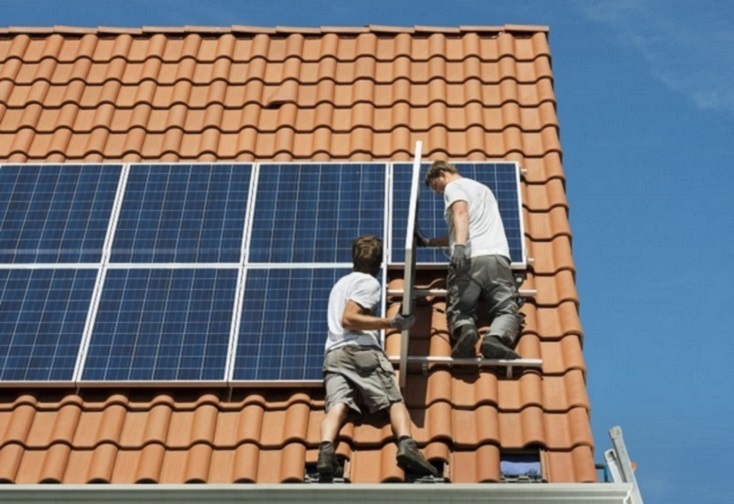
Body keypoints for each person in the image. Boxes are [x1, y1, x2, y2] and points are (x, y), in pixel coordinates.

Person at [318, 235, 437, 480]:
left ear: (354, 259)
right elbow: (349, 319)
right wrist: (390, 323)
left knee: (337, 404)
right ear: (379, 263)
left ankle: (326, 451)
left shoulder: (339, 284)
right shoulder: (369, 283)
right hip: (360, 352)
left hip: (334, 354)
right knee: (394, 399)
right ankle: (407, 446)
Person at [417, 160, 522, 360]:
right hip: (496, 257)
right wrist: (429, 242)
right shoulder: (483, 189)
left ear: (441, 174)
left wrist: (459, 247)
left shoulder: (453, 187)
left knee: (461, 308)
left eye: (435, 187)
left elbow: (461, 212)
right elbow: (463, 226)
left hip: (469, 260)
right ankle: (495, 339)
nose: (437, 192)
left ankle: (466, 332)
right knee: (506, 308)